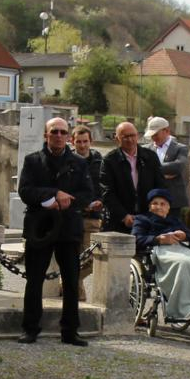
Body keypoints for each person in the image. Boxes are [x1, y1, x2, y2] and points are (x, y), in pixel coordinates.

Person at [17, 116, 94, 345]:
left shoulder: (79, 163)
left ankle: (70, 330)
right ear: (46, 135)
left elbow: (87, 194)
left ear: (68, 137)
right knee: (34, 280)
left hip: (68, 227)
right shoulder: (33, 161)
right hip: (40, 227)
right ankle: (30, 328)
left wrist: (65, 201)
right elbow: (25, 191)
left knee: (71, 281)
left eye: (62, 132)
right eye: (54, 132)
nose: (58, 136)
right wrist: (52, 195)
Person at [134, 188, 190, 325]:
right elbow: (136, 239)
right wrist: (158, 239)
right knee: (184, 264)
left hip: (182, 250)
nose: (159, 207)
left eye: (163, 204)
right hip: (160, 252)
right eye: (155, 203)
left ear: (168, 207)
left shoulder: (175, 221)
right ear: (149, 206)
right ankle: (185, 310)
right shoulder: (142, 219)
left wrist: (185, 236)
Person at [99, 120, 161, 233]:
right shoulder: (109, 161)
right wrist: (123, 215)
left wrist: (154, 211)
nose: (130, 139)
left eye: (132, 135)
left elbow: (160, 186)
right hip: (118, 222)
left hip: (147, 219)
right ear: (117, 138)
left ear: (138, 136)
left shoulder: (150, 157)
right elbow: (107, 192)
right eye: (125, 137)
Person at [73, 123, 106, 299]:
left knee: (92, 257)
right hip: (72, 215)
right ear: (73, 142)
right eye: (79, 141)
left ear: (90, 141)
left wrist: (101, 201)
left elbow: (104, 185)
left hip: (92, 217)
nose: (82, 145)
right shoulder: (68, 160)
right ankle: (77, 296)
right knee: (72, 256)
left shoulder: (99, 161)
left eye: (85, 141)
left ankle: (68, 279)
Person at [146, 115, 190, 221]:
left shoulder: (180, 148)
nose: (153, 138)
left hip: (174, 203)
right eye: (151, 135)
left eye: (156, 134)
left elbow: (178, 166)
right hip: (152, 201)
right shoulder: (146, 149)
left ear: (166, 131)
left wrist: (153, 170)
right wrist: (163, 173)